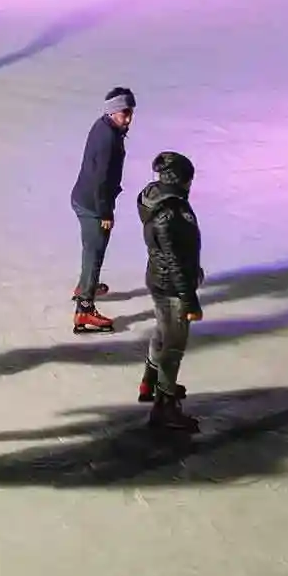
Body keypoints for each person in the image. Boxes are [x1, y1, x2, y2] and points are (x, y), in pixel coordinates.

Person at [138, 150, 202, 432]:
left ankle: (150, 381)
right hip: (172, 286)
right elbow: (175, 259)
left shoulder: (154, 198)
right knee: (174, 345)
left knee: (162, 333)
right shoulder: (172, 212)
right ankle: (164, 406)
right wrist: (189, 299)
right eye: (188, 180)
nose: (190, 185)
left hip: (158, 279)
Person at [69, 87, 134, 333]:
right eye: (123, 113)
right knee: (95, 254)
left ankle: (84, 285)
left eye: (130, 112)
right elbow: (100, 179)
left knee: (90, 249)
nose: (128, 118)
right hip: (93, 205)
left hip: (84, 198)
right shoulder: (108, 138)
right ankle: (84, 310)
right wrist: (105, 213)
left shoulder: (105, 127)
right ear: (112, 111)